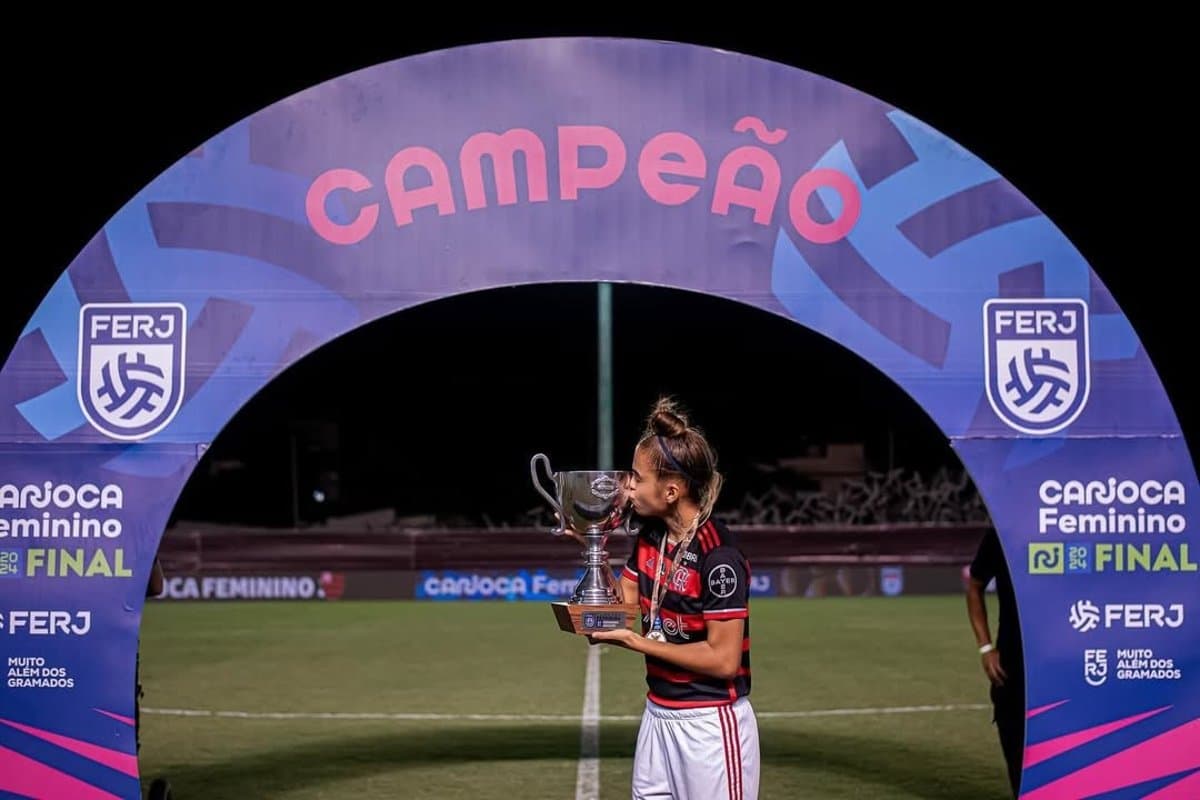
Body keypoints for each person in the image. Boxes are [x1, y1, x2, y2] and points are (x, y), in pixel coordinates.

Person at [587, 396, 760, 800]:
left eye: (636, 477)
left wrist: (637, 642)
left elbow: (723, 660)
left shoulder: (719, 558)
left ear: (670, 490)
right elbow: (621, 608)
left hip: (709, 724)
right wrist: (593, 545)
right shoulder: (651, 538)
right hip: (658, 716)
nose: (627, 486)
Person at [965, 528, 1024, 798]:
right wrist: (986, 647)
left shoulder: (1074, 526)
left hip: (1062, 662)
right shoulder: (1002, 532)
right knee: (1015, 747)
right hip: (1012, 662)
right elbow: (974, 586)